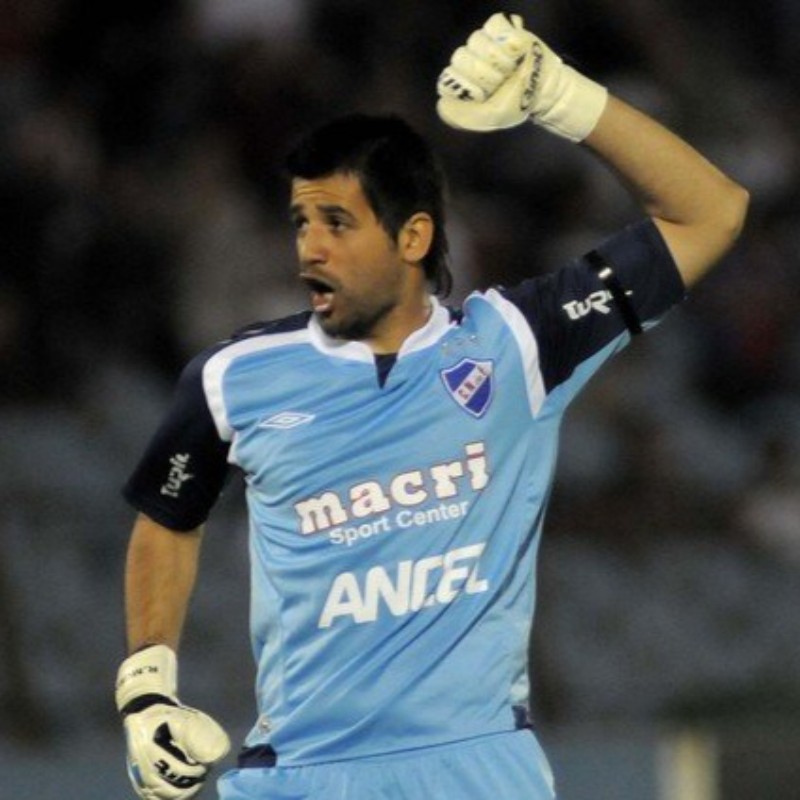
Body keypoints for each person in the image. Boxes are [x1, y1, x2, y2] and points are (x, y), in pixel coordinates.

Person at [114, 12, 748, 800]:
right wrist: (147, 688)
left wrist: (561, 97)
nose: (310, 248)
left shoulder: (519, 342)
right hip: (301, 775)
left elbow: (712, 211)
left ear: (413, 237)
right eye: (301, 223)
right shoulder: (232, 377)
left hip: (476, 769)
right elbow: (167, 518)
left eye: (337, 223)